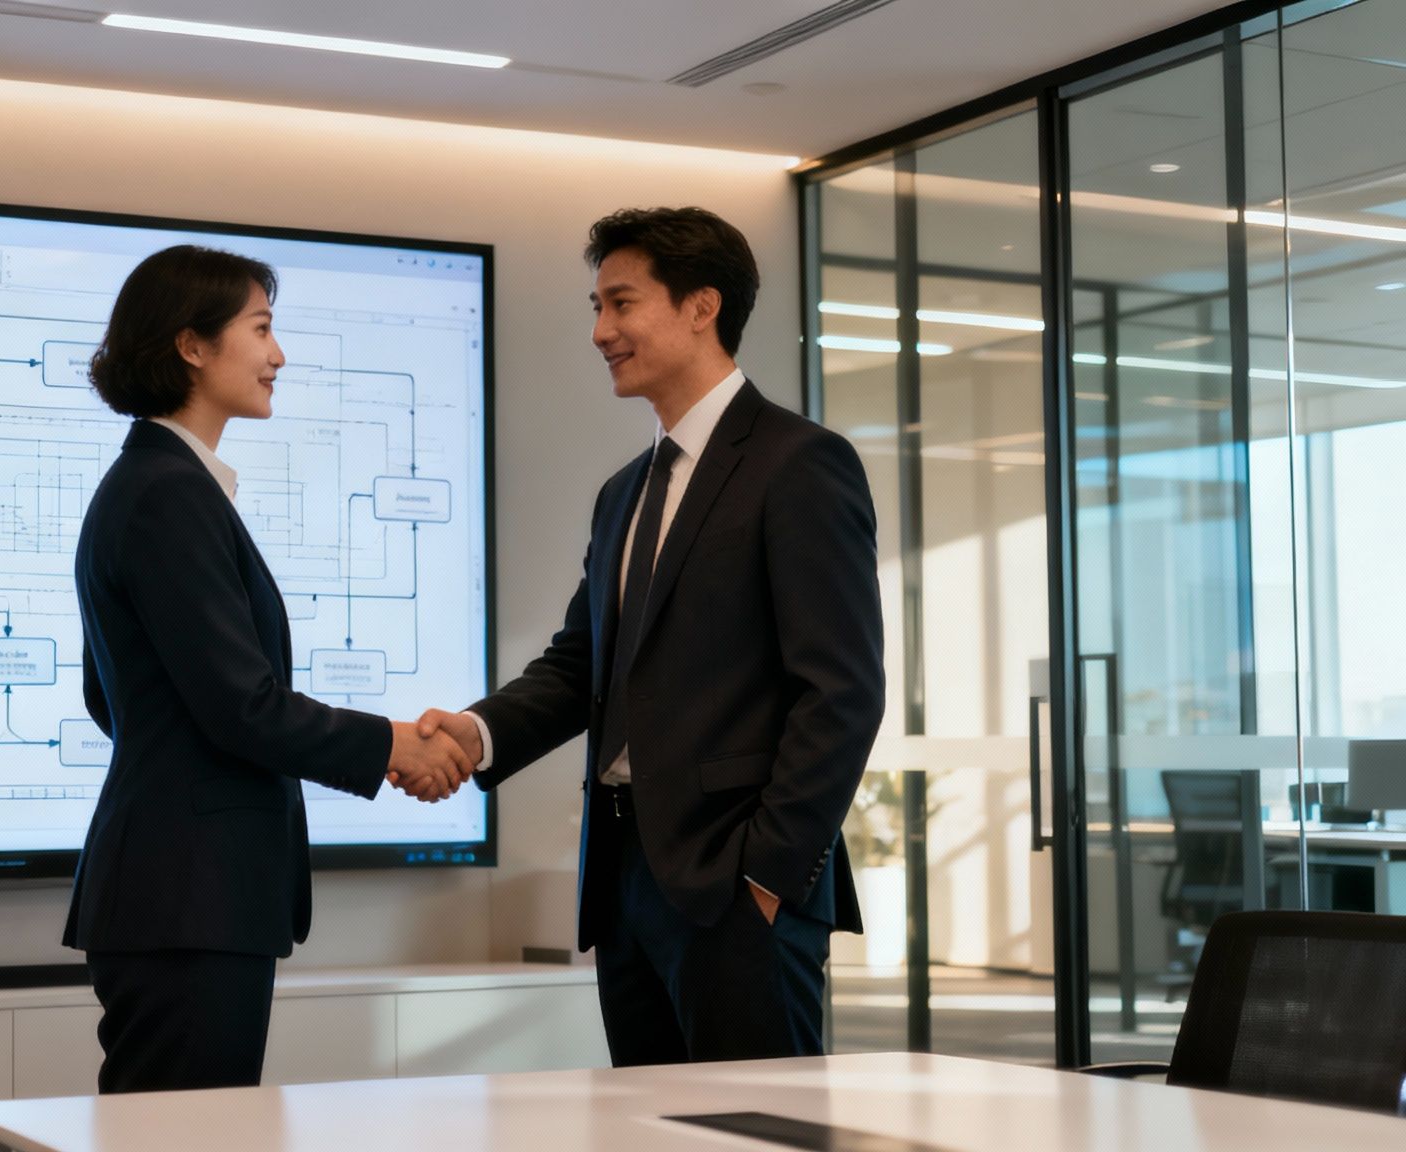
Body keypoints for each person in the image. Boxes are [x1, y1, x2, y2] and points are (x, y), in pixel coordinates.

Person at [419, 207, 884, 1065]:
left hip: (736, 888)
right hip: (626, 885)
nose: (601, 331)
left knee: (759, 1135)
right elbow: (580, 665)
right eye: (596, 308)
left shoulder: (800, 464)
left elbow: (843, 694)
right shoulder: (625, 489)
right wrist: (475, 735)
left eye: (621, 304)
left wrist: (767, 878)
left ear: (701, 307)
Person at [66, 244, 473, 1094]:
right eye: (261, 328)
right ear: (191, 346)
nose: (278, 354)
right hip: (190, 898)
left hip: (185, 894)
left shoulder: (157, 483)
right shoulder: (169, 493)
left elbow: (114, 699)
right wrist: (397, 743)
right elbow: (240, 706)